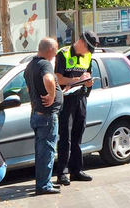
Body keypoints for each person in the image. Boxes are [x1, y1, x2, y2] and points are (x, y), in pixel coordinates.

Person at [54, 31, 98, 186]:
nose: (89, 52)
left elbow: (88, 75)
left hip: (80, 99)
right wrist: (75, 80)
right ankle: (62, 173)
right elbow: (58, 78)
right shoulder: (63, 54)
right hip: (66, 100)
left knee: (78, 136)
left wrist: (88, 83)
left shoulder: (88, 57)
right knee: (65, 137)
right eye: (89, 48)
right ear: (82, 42)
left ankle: (76, 170)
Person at [24, 37, 62, 195]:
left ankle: (43, 182)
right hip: (46, 115)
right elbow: (48, 79)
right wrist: (52, 96)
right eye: (56, 49)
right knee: (47, 150)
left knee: (41, 151)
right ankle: (43, 185)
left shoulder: (31, 65)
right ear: (50, 50)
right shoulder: (45, 64)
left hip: (36, 113)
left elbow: (27, 87)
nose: (56, 52)